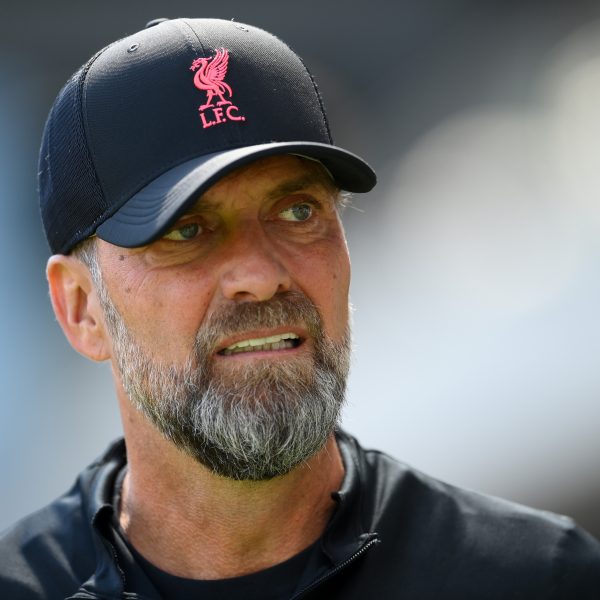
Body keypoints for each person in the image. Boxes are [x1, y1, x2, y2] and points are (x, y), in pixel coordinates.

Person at [1, 17, 599, 599]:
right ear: (81, 309)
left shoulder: (538, 578)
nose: (261, 278)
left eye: (297, 212)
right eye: (187, 230)